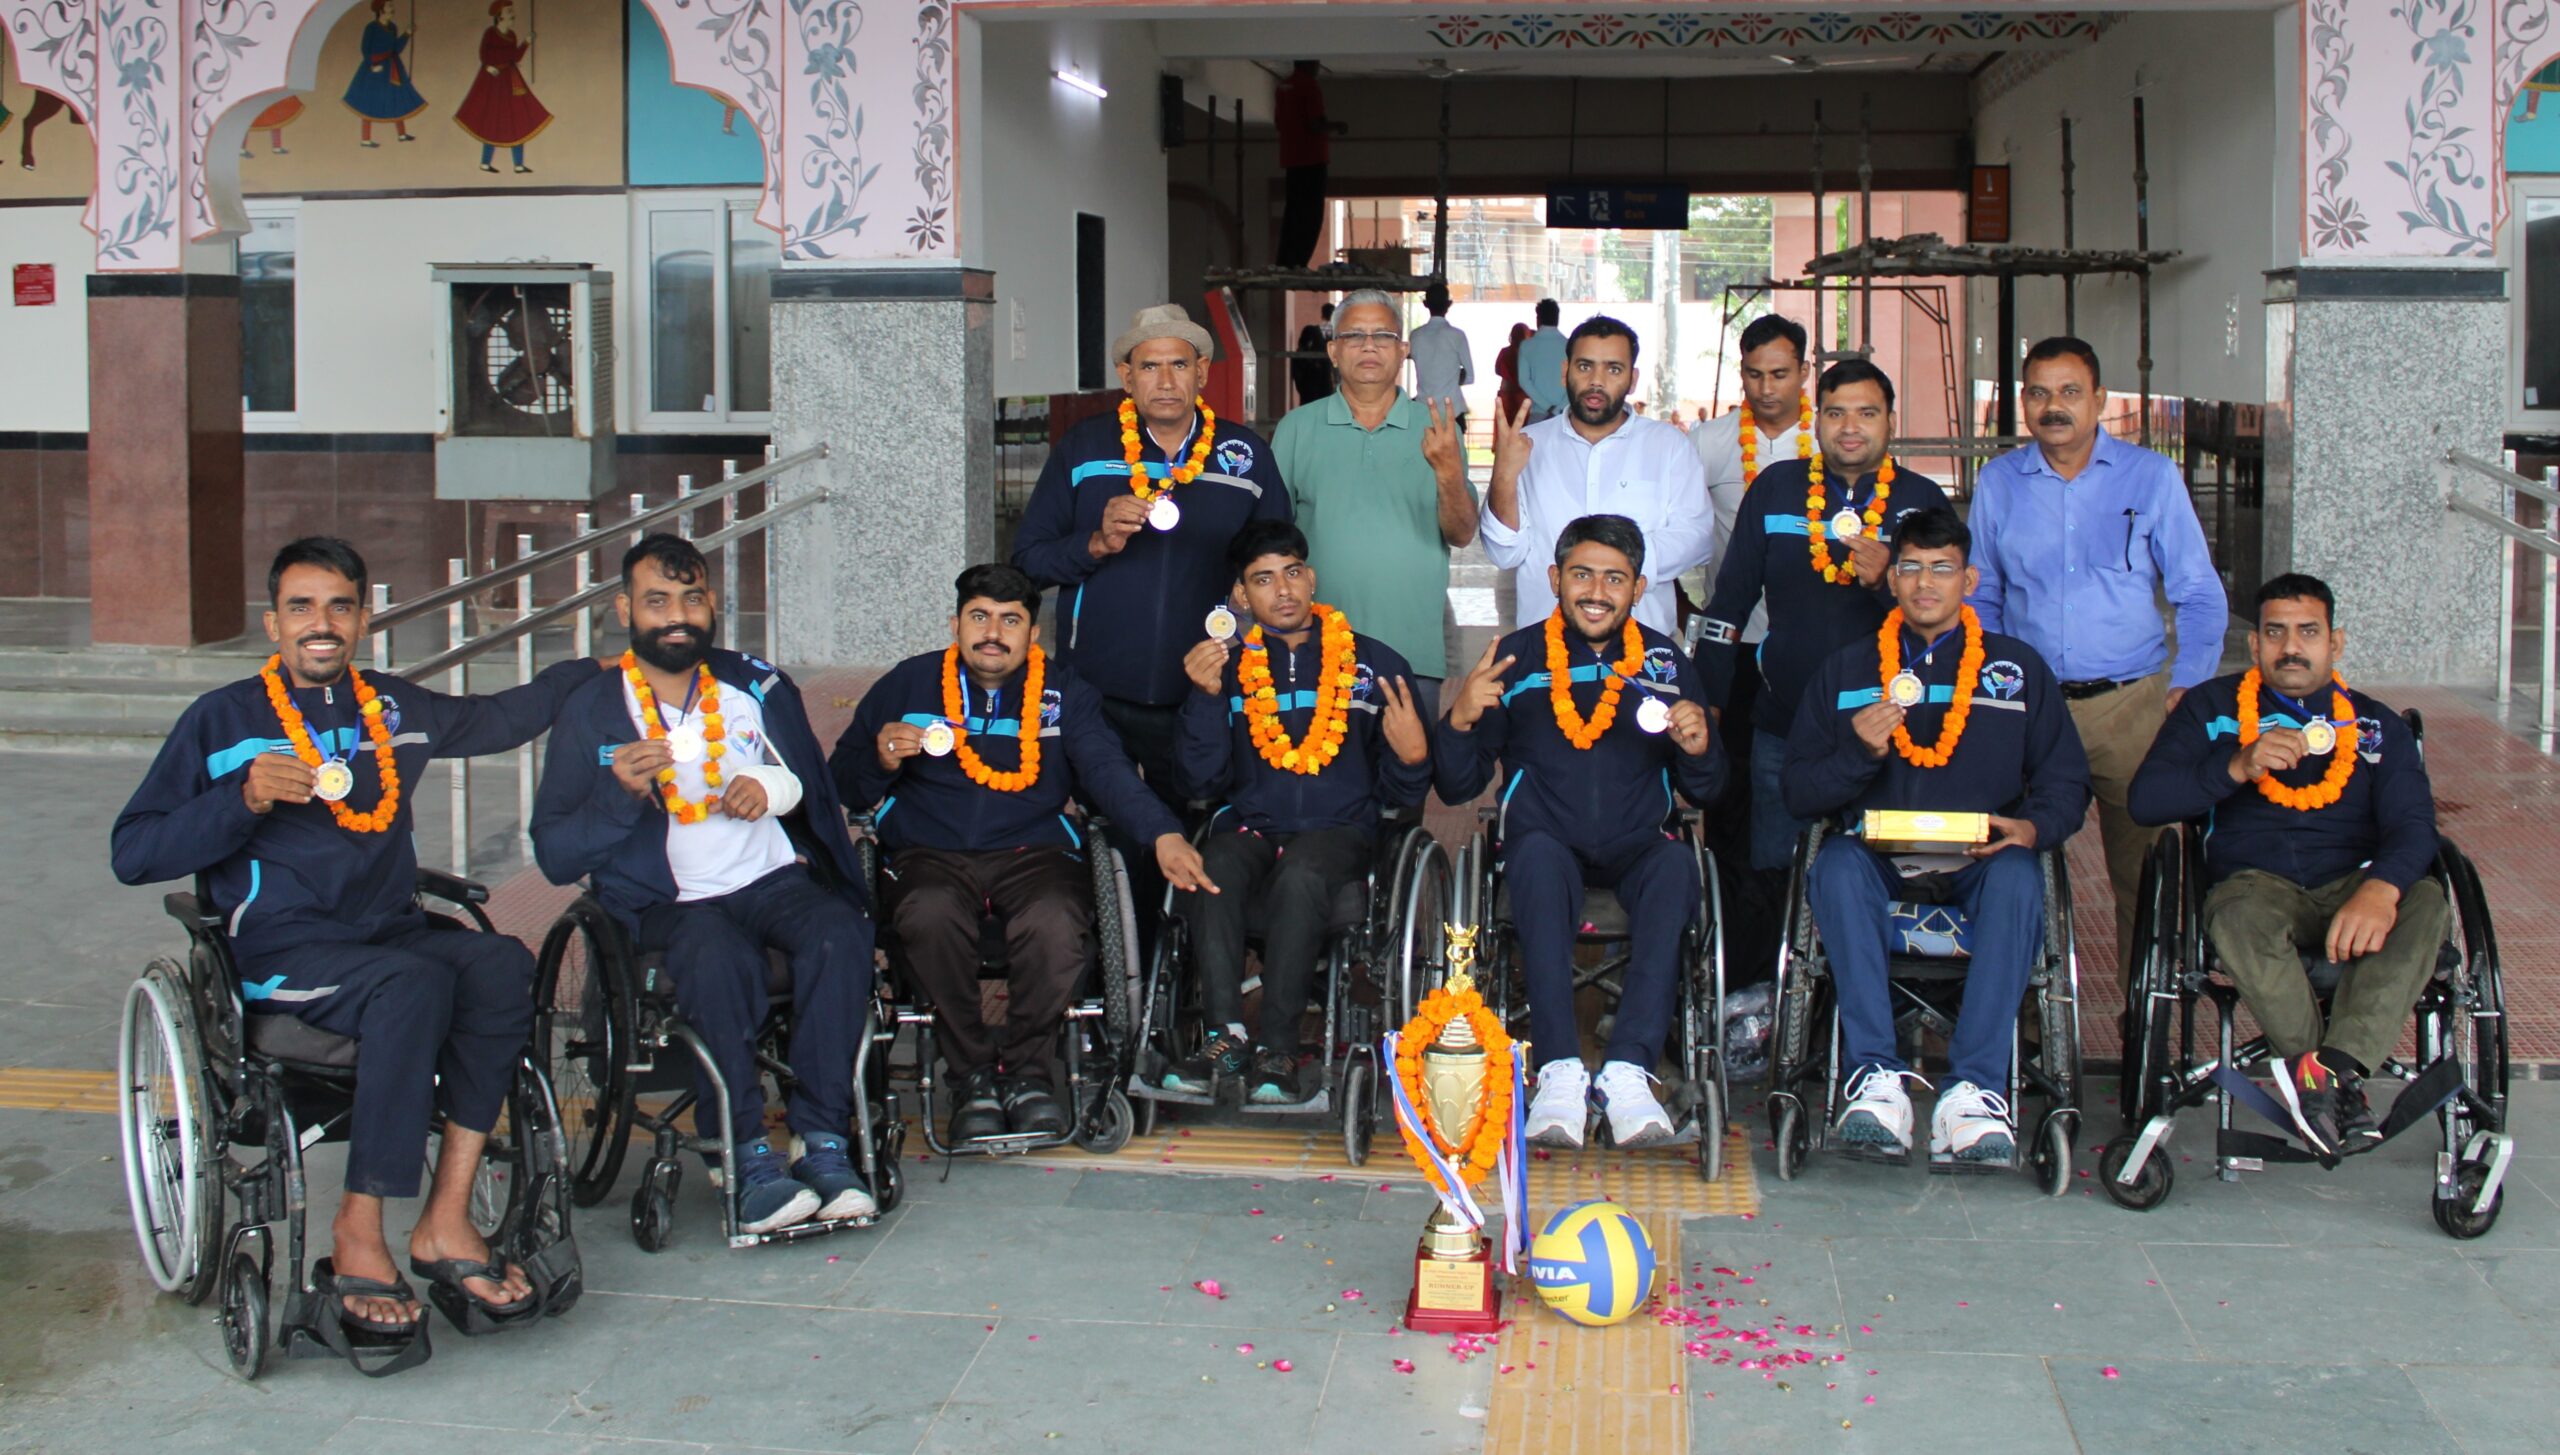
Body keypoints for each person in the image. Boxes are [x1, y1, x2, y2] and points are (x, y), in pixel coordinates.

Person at [112, 537, 602, 1339]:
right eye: (302, 607)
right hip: (284, 951)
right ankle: (357, 1230)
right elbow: (133, 852)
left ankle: (445, 1217)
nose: (322, 623)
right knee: (413, 984)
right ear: (274, 622)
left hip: (387, 933)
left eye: (339, 606)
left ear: (363, 619)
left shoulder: (394, 709)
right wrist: (240, 799)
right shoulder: (222, 720)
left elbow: (503, 717)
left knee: (497, 963)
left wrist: (602, 671)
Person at [531, 535, 874, 1236]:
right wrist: (619, 796)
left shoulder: (751, 687)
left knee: (840, 930)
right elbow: (555, 854)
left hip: (767, 879)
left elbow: (804, 781)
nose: (677, 616)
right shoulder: (592, 709)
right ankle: (744, 1155)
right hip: (665, 901)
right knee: (717, 955)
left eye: (691, 598)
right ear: (625, 609)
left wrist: (769, 788)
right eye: (657, 600)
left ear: (713, 602)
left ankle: (822, 1140)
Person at [832, 564, 1217, 1144]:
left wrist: (1161, 832)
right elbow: (843, 781)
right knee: (928, 914)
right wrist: (880, 759)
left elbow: (1107, 772)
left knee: (1057, 922)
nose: (993, 633)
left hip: (1034, 852)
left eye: (1010, 621)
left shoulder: (1065, 692)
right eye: (979, 617)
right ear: (955, 625)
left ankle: (1027, 1077)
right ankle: (972, 1077)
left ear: (1032, 633)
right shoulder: (908, 684)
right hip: (928, 852)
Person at [1785, 508, 2089, 1162]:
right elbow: (1799, 791)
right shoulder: (1846, 670)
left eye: (1942, 568)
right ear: (1891, 578)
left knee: (2020, 875)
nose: (1926, 582)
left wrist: (2032, 826)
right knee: (1833, 866)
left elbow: (2066, 780)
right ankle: (1875, 1079)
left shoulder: (2017, 669)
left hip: (1982, 856)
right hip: (1875, 857)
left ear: (1968, 579)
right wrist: (1858, 754)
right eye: (1912, 567)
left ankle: (1974, 1091)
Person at [1434, 515, 1727, 1149]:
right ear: (1554, 579)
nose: (1597, 592)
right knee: (1535, 860)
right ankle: (1559, 1071)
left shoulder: (1666, 661)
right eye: (1582, 575)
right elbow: (1458, 787)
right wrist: (1459, 720)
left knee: (1678, 867)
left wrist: (1701, 749)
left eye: (1615, 579)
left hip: (1638, 843)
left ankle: (1627, 1073)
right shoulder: (1516, 659)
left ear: (1639, 587)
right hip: (1547, 840)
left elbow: (1707, 789)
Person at [2127, 574, 2442, 1156]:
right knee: (2236, 915)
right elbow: (2146, 802)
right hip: (2254, 886)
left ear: (2335, 642)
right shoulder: (2212, 709)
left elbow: (2415, 825)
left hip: (2354, 883)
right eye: (2275, 633)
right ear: (2255, 644)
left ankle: (2334, 1070)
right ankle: (2325, 1084)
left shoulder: (2376, 726)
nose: (2291, 647)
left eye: (2308, 632)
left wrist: (2381, 888)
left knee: (2425, 900)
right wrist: (2235, 766)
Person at [1011, 303, 1292, 936]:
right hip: (1099, 687)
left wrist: (1246, 606)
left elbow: (1279, 560)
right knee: (1109, 826)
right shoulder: (1085, 448)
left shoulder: (1245, 455)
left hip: (1202, 689)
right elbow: (1028, 561)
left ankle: (1181, 959)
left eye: (1179, 365)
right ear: (1126, 376)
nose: (1165, 381)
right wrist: (1095, 542)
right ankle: (1117, 954)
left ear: (1203, 372)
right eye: (1149, 367)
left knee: (1195, 822)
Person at [1967, 336, 2229, 971]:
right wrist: (1995, 680)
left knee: (2146, 875)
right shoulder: (1999, 482)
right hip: (2028, 709)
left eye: (2069, 392)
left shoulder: (2151, 478)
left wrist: (2188, 685)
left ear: (2100, 399)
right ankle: (2024, 1011)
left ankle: (2143, 1013)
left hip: (2130, 706)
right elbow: (1981, 595)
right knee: (2007, 859)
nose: (2053, 406)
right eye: (2038, 393)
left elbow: (2198, 593)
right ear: (2023, 401)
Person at [1166, 522, 1435, 1102]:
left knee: (1302, 873)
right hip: (1252, 825)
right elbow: (1200, 782)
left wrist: (1415, 758)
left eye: (1291, 573)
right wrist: (1205, 700)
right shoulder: (1224, 667)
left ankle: (1279, 1048)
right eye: (1263, 579)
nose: (1283, 590)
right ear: (1241, 596)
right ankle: (1225, 1033)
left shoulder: (1374, 664)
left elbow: (1401, 790)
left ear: (1311, 578)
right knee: (1212, 865)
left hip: (1340, 831)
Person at [1696, 358, 1954, 875]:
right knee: (1776, 870)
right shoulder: (1776, 487)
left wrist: (1886, 584)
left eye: (1866, 413)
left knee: (1890, 871)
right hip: (1785, 725)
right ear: (1817, 421)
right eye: (1836, 413)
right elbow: (1728, 606)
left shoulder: (1922, 501)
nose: (1850, 427)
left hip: (1892, 727)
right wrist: (1711, 700)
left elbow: (1946, 622)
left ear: (1891, 421)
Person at [1274, 288, 1477, 722]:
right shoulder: (1297, 428)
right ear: (1333, 351)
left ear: (1403, 351)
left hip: (1413, 653)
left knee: (1408, 764)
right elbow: (1271, 540)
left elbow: (1462, 534)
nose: (1369, 346)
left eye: (1383, 336)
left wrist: (1446, 471)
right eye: (1354, 336)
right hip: (1316, 647)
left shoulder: (1438, 427)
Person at [1480, 315, 1711, 639]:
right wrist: (1505, 476)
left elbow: (1697, 537)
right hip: (1545, 647)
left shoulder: (1668, 445)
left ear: (1632, 379)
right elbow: (1504, 553)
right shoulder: (1528, 445)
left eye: (1613, 369)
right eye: (1585, 366)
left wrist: (1614, 567)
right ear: (1565, 372)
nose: (1596, 381)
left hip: (1641, 646)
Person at [454, 0, 549, 174]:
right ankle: (485, 163)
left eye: (512, 11)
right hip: (492, 82)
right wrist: (488, 66)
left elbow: (515, 57)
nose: (513, 14)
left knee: (518, 118)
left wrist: (526, 42)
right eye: (509, 11)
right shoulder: (490, 33)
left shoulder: (512, 35)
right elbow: (484, 54)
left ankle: (518, 165)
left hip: (511, 81)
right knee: (491, 119)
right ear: (500, 16)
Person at [1273, 61, 1344, 268]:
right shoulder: (1309, 86)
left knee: (1293, 213)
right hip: (1312, 159)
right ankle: (1297, 262)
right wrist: (1337, 126)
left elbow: (1279, 123)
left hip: (1291, 159)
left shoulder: (1283, 87)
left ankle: (1285, 261)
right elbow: (1315, 124)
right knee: (1310, 216)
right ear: (1308, 63)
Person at [343, 0, 427, 147]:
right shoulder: (371, 28)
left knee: (397, 97)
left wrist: (406, 34)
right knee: (368, 101)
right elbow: (365, 49)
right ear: (381, 10)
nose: (393, 8)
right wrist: (372, 65)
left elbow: (396, 49)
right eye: (389, 5)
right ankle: (365, 139)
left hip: (392, 66)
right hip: (375, 68)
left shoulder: (393, 27)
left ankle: (402, 134)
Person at [1407, 286, 1475, 436]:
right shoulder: (1457, 335)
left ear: (1425, 304)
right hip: (1453, 411)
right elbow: (1470, 376)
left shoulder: (1416, 336)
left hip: (1423, 410)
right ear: (1449, 304)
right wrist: (1452, 377)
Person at [1517, 300, 1567, 422]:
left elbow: (1524, 381)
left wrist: (1547, 407)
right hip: (1564, 413)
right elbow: (1575, 381)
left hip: (1538, 413)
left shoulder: (1527, 346)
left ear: (1538, 319)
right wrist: (1559, 408)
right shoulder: (1569, 345)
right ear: (1557, 318)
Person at [1292, 303, 1336, 408]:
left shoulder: (1310, 331)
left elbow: (1301, 351)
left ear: (1322, 315)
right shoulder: (1339, 334)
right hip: (1325, 379)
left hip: (1312, 380)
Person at [1493, 320, 1531, 422]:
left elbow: (1497, 370)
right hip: (1523, 395)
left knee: (1504, 424)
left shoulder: (1504, 352)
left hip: (1506, 393)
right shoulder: (1528, 353)